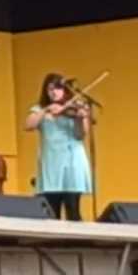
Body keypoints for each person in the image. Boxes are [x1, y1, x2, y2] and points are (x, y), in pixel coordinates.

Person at [25, 73, 92, 220]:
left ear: (65, 90)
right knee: (51, 211)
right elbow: (28, 125)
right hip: (51, 164)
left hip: (73, 163)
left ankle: (76, 242)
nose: (54, 92)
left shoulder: (75, 108)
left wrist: (79, 118)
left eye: (58, 88)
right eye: (50, 89)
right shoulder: (39, 109)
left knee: (73, 209)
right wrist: (46, 109)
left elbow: (80, 135)